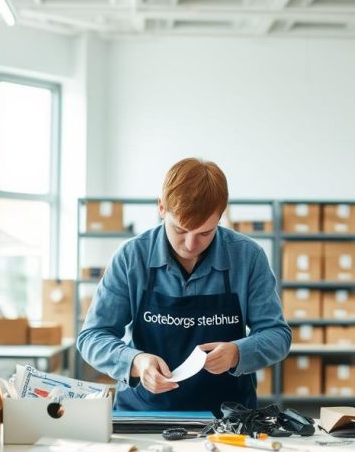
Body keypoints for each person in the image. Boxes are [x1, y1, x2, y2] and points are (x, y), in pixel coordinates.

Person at [77, 158, 291, 413]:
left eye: (205, 233)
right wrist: (135, 361)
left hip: (228, 418)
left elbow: (278, 335)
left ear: (220, 218)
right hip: (144, 416)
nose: (191, 244)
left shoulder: (248, 257)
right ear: (161, 208)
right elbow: (92, 336)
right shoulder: (131, 257)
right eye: (180, 230)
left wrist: (237, 351)